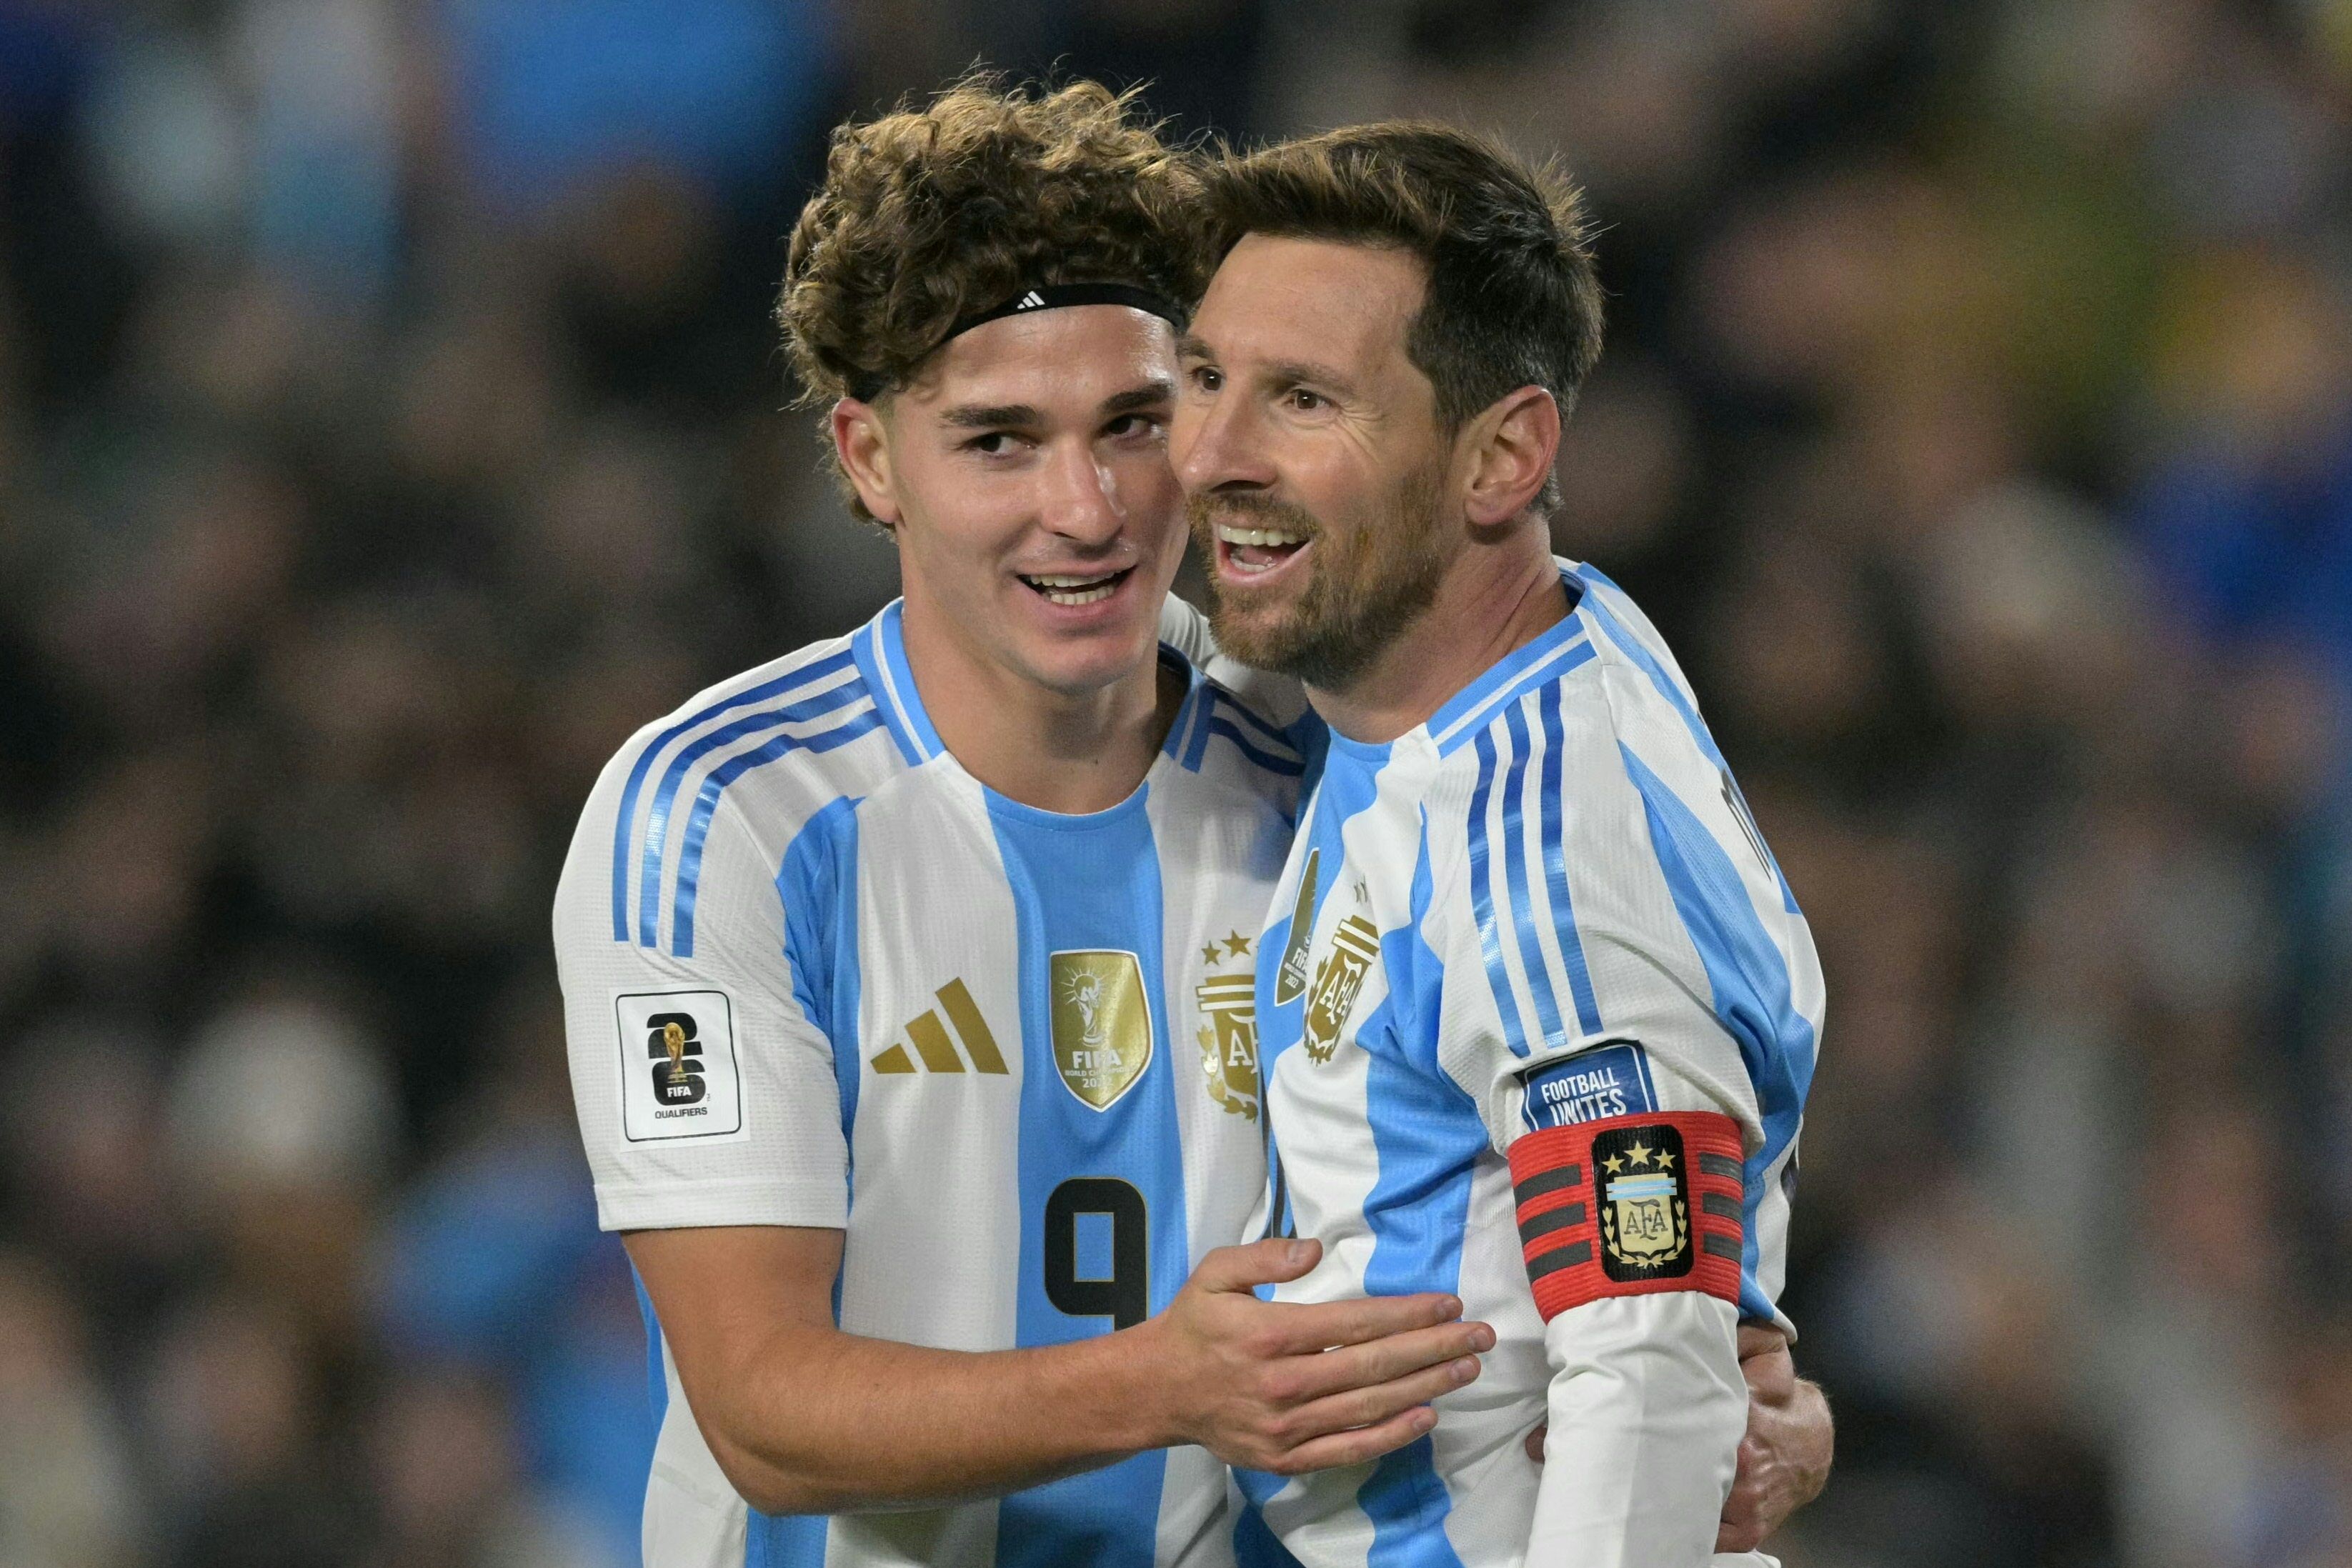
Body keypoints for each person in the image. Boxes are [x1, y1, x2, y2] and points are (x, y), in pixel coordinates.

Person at [552, 79, 1492, 1568]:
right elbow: (763, 1410)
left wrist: (1717, 1373)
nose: (1087, 508)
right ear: (870, 462)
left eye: (1133, 422)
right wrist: (1164, 1385)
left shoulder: (1341, 768)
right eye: (997, 441)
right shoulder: (721, 817)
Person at [1170, 121, 1828, 1567]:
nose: (1206, 453)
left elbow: (1644, 1359)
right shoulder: (1486, 660)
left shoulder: (1534, 849)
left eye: (1303, 401)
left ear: (1503, 458)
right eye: (1204, 377)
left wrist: (1722, 1365)